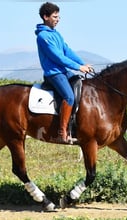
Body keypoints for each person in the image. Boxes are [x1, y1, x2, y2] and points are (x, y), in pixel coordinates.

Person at [35, 2, 92, 143]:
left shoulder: (56, 34)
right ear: (45, 17)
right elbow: (58, 57)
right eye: (55, 16)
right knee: (69, 97)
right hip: (54, 73)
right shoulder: (43, 36)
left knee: (81, 86)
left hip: (64, 71)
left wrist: (82, 63)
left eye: (58, 16)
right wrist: (78, 68)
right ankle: (63, 132)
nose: (58, 19)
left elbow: (67, 51)